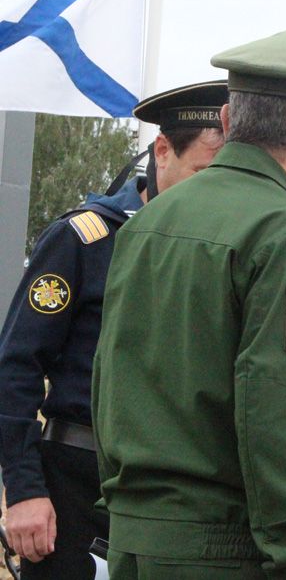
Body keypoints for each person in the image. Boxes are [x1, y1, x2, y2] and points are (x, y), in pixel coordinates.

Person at [91, 27, 286, 579]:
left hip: (136, 542)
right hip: (226, 552)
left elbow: (109, 380)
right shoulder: (285, 230)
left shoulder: (153, 218)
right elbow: (285, 411)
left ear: (225, 120)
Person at [0, 80, 227, 580]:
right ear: (162, 151)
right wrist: (24, 490)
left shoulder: (216, 252)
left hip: (173, 499)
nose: (211, 195)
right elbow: (15, 365)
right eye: (202, 174)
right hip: (75, 489)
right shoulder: (84, 241)